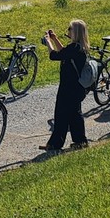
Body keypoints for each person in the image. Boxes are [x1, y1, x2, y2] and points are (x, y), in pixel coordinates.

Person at [41, 19, 91, 151]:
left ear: (76, 32)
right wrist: (55, 38)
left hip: (69, 88)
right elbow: (64, 52)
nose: (68, 30)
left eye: (70, 28)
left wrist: (48, 41)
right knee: (75, 115)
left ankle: (54, 144)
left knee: (61, 115)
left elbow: (55, 55)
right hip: (76, 88)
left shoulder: (75, 48)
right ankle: (80, 141)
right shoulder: (78, 47)